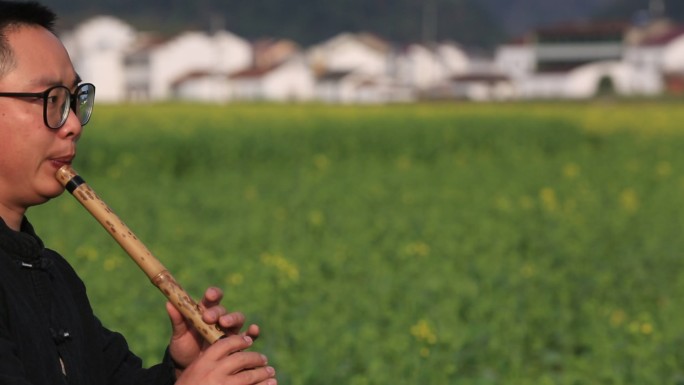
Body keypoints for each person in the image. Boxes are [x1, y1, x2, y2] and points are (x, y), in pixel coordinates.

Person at [0, 1, 277, 384]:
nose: (74, 125)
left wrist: (183, 370)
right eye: (52, 100)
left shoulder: (52, 276)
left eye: (74, 100)